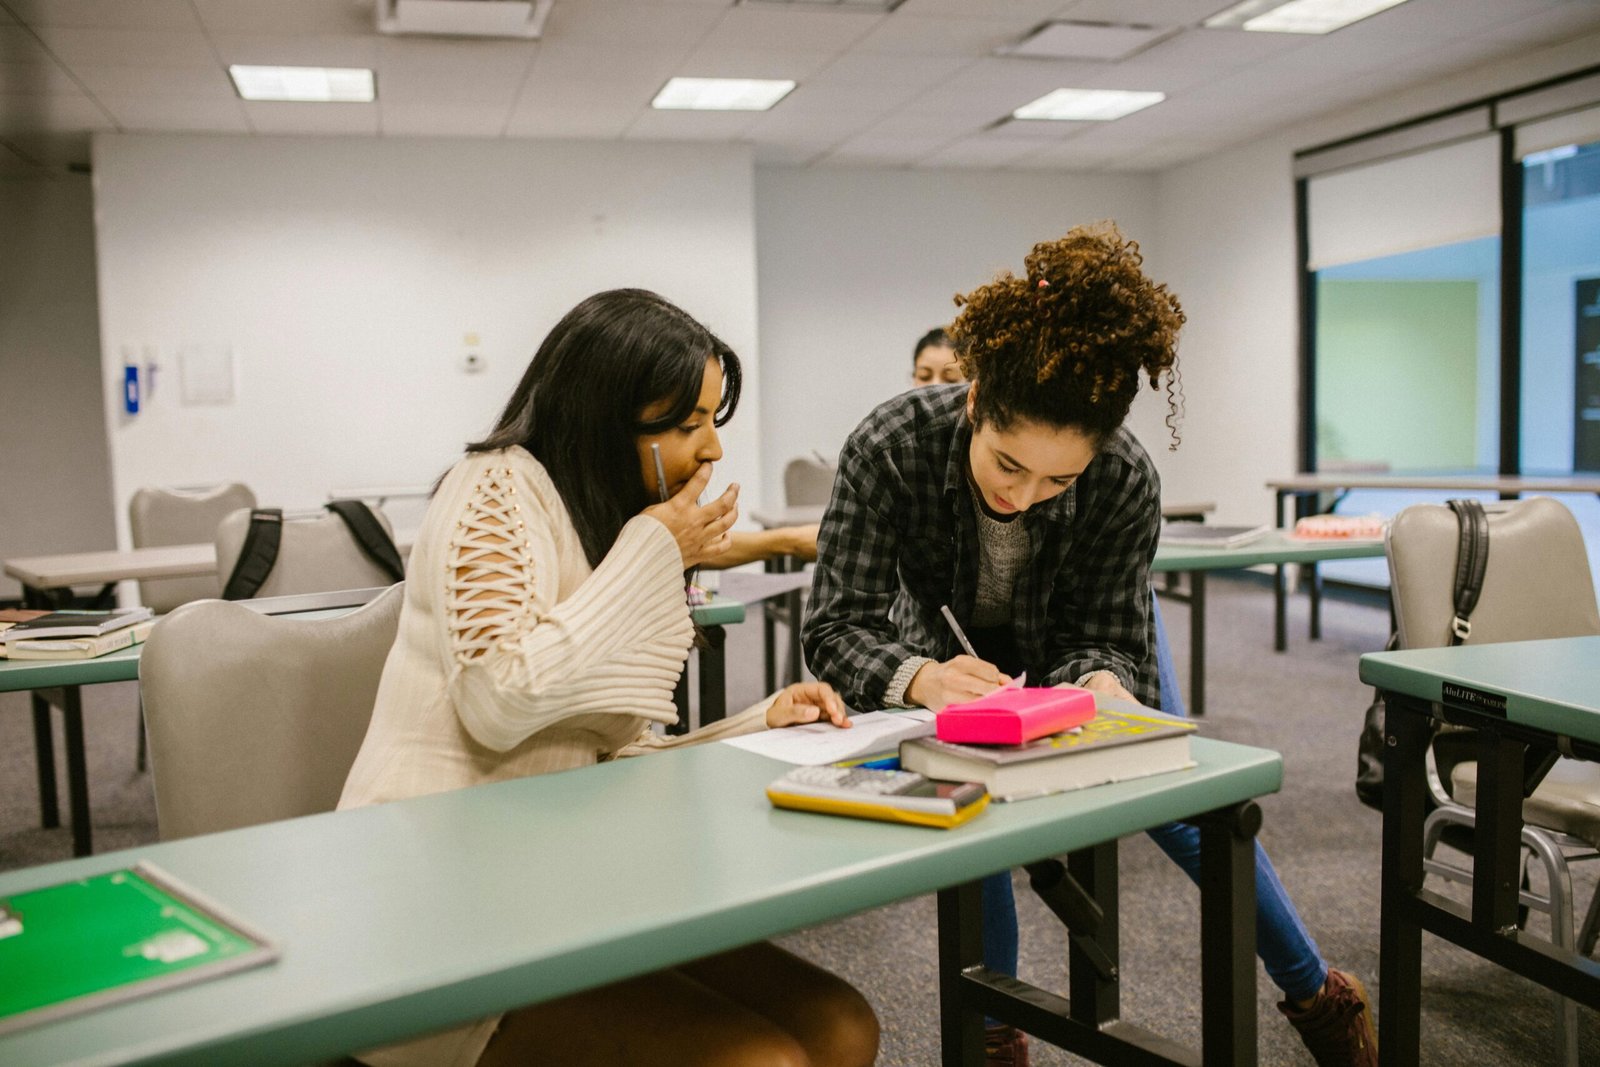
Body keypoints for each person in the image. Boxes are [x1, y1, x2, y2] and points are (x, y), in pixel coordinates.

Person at [802, 224, 1375, 1067]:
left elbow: (1101, 633)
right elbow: (835, 623)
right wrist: (919, 674)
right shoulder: (890, 446)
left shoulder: (1125, 477)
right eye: (1006, 464)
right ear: (972, 403)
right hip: (949, 644)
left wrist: (1103, 686)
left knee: (1187, 809)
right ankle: (995, 1025)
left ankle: (1316, 991)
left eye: (1057, 480)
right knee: (965, 799)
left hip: (1077, 632)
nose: (1024, 496)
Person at [340, 289, 879, 1067]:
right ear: (605, 415)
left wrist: (755, 722)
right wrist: (657, 547)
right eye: (689, 424)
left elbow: (605, 756)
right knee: (761, 1062)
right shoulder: (494, 486)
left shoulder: (599, 519)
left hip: (561, 892)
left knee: (842, 1026)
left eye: (712, 422)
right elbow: (500, 699)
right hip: (443, 917)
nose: (713, 450)